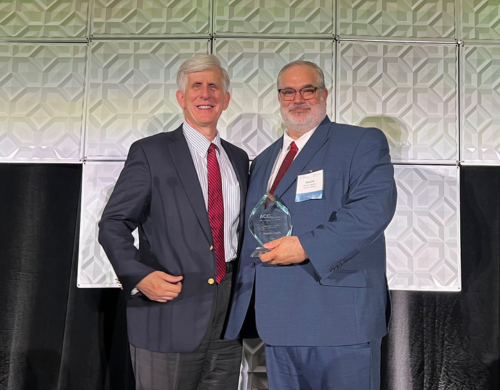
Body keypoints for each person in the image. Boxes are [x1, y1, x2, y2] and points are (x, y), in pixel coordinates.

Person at [224, 60, 397, 389]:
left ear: (325, 94)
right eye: (288, 91)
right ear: (279, 97)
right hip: (277, 324)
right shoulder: (262, 161)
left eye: (308, 89)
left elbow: (373, 208)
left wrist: (306, 246)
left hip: (341, 322)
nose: (297, 98)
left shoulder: (360, 142)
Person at [98, 54, 249, 390]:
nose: (205, 94)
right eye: (196, 86)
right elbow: (114, 223)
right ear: (182, 97)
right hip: (168, 311)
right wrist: (139, 275)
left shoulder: (237, 159)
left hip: (228, 318)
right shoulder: (150, 152)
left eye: (214, 87)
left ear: (226, 99)